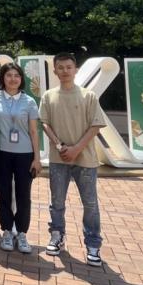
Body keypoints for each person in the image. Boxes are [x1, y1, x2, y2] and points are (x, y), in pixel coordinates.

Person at [39, 53, 106, 266]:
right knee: (57, 202)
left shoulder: (88, 96)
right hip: (59, 159)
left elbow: (96, 125)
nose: (65, 71)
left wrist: (77, 148)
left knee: (90, 204)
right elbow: (45, 123)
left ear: (75, 69)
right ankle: (57, 235)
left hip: (85, 160)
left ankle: (93, 244)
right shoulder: (49, 96)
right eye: (60, 67)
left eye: (69, 67)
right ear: (55, 71)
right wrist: (60, 146)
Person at [0, 63, 41, 253]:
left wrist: (37, 158)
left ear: (21, 79)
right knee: (3, 192)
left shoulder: (29, 101)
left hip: (25, 154)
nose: (13, 79)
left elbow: (34, 131)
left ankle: (21, 233)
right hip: (1, 153)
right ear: (3, 78)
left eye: (16, 75)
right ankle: (7, 230)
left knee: (23, 194)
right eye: (9, 75)